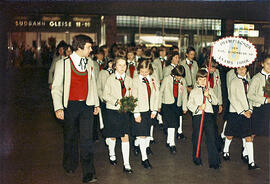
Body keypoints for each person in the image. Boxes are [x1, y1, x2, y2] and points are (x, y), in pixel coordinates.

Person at [51, 34, 100, 183]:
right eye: (88, 47)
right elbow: (56, 87)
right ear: (79, 47)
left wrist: (96, 103)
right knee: (70, 137)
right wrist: (58, 107)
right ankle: (70, 164)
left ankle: (89, 173)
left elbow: (93, 86)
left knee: (87, 139)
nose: (91, 50)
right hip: (70, 106)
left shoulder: (90, 63)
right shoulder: (63, 64)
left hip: (86, 105)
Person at [223, 66, 260, 170]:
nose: (242, 71)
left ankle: (251, 162)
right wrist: (243, 111)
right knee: (230, 134)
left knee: (248, 136)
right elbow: (232, 98)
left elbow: (251, 97)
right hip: (235, 112)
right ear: (236, 70)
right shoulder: (233, 82)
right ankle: (226, 151)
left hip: (247, 112)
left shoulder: (249, 81)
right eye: (239, 69)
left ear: (247, 70)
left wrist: (250, 109)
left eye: (244, 69)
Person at [103, 57, 133, 173]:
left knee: (125, 136)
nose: (122, 67)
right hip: (112, 110)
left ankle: (126, 163)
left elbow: (132, 93)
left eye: (124, 65)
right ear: (114, 66)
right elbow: (105, 95)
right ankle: (112, 153)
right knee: (113, 135)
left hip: (124, 111)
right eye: (120, 65)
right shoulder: (110, 79)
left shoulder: (129, 79)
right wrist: (117, 101)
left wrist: (130, 102)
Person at [187, 69, 221, 169]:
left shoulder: (210, 90)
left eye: (204, 79)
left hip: (208, 115)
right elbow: (189, 104)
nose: (202, 81)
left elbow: (215, 102)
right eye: (200, 79)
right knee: (197, 137)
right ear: (197, 80)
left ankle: (214, 161)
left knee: (211, 137)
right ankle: (196, 158)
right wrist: (198, 107)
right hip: (198, 116)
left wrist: (209, 96)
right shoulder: (193, 91)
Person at [132, 58, 159, 168]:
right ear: (138, 70)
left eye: (146, 72)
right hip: (140, 110)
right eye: (142, 71)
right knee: (143, 134)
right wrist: (136, 113)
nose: (144, 74)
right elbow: (133, 97)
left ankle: (136, 145)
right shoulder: (135, 80)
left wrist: (155, 109)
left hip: (150, 110)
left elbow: (157, 94)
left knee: (147, 134)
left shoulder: (153, 79)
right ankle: (144, 159)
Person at [159, 65, 187, 154]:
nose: (179, 78)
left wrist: (184, 106)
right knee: (171, 124)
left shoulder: (182, 81)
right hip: (167, 104)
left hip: (177, 104)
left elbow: (185, 94)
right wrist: (158, 105)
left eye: (181, 76)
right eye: (178, 76)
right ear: (174, 73)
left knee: (175, 124)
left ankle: (168, 141)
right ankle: (172, 144)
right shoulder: (167, 79)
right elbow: (160, 92)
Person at [201, 60, 223, 153]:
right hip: (205, 102)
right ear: (207, 65)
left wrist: (220, 103)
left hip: (214, 101)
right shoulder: (202, 73)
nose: (213, 69)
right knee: (206, 125)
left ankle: (216, 145)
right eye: (212, 67)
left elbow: (219, 87)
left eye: (215, 67)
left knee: (214, 125)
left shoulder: (216, 73)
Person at [248, 57, 270, 136]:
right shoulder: (256, 78)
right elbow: (250, 95)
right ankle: (247, 148)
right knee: (254, 132)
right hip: (259, 107)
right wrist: (265, 100)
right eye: (267, 64)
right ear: (262, 64)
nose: (269, 66)